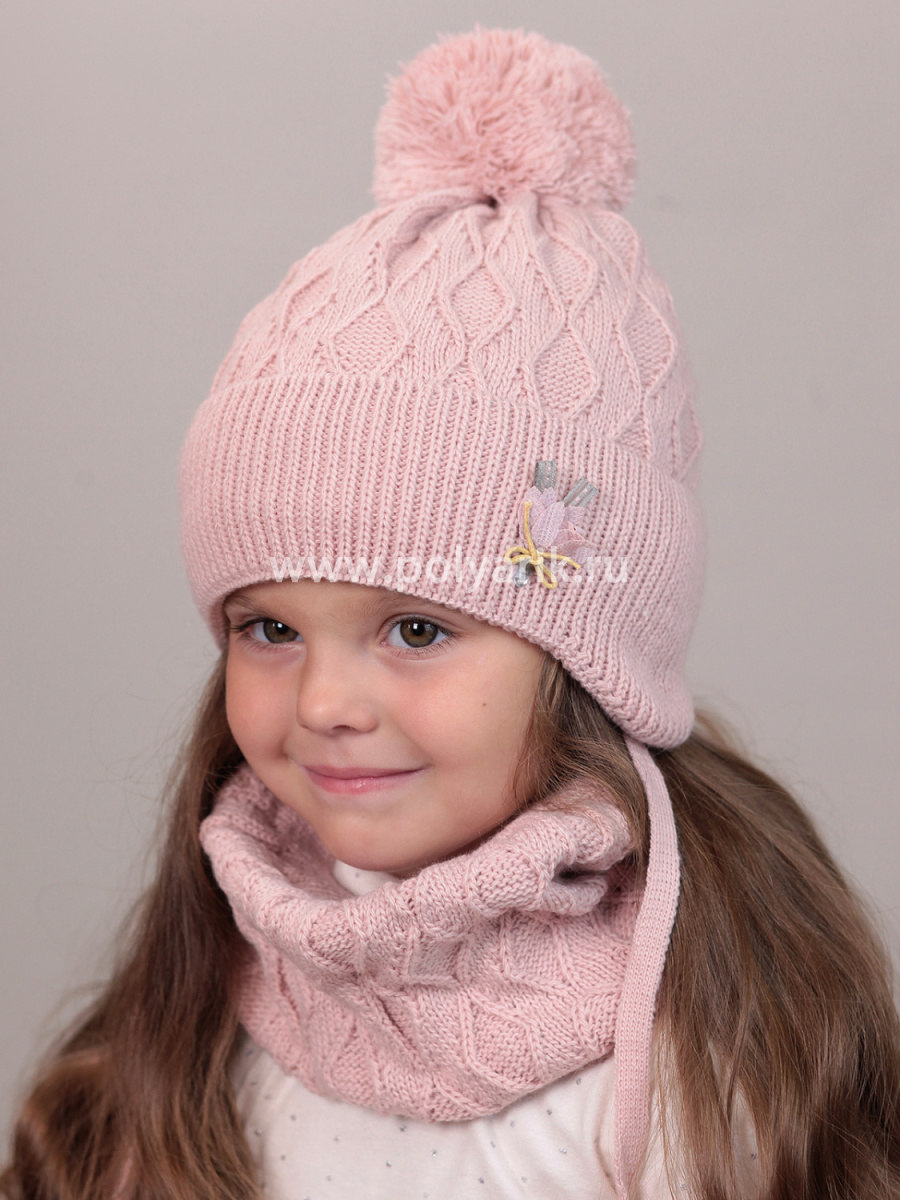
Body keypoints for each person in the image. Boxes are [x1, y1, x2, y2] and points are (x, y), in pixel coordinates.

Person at [2, 26, 898, 1200]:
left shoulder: (698, 1070)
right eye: (269, 629)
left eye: (417, 630)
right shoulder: (192, 1015)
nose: (324, 704)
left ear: (589, 659)